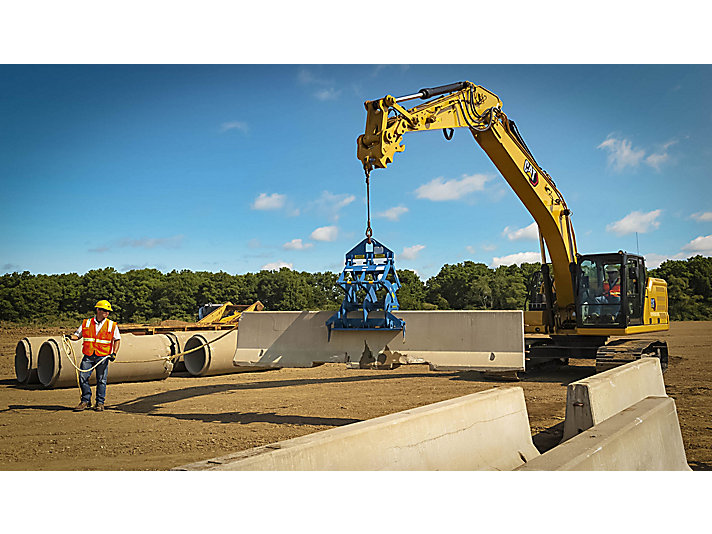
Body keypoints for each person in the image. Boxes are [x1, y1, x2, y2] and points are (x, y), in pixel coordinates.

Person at [66, 300, 121, 412]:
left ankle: (100, 403)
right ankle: (85, 400)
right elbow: (78, 335)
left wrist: (114, 353)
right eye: (105, 310)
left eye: (108, 311)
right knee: (82, 377)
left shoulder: (112, 325)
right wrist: (70, 337)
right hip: (89, 355)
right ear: (98, 310)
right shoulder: (86, 323)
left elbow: (117, 340)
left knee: (101, 380)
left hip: (103, 356)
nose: (107, 313)